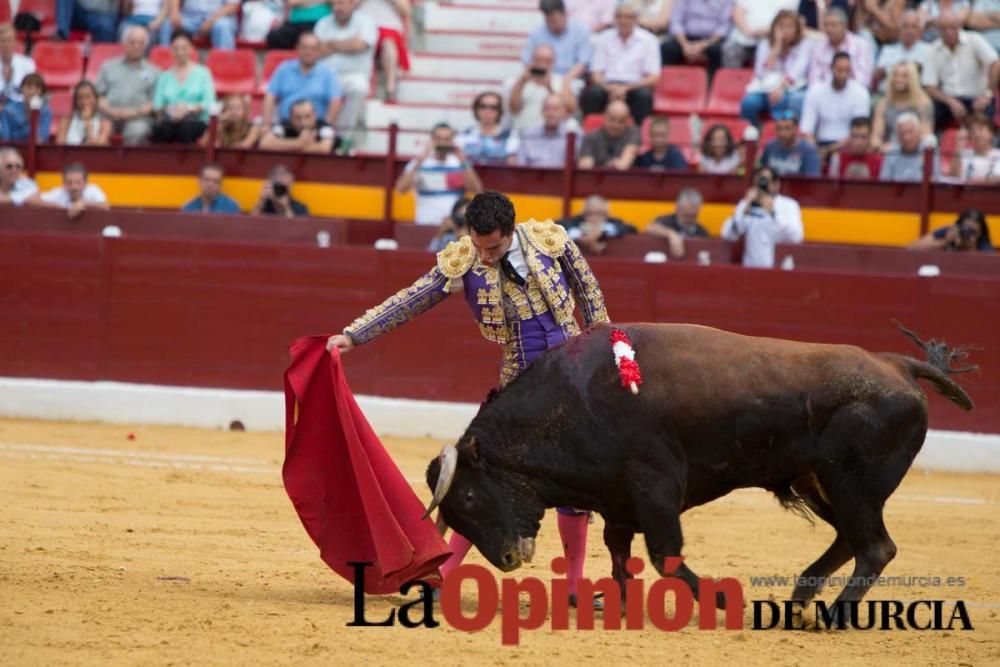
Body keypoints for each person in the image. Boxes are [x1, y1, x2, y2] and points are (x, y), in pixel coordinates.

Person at [326, 190, 611, 609]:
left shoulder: (551, 240)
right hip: (520, 383)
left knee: (575, 484)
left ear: (510, 231)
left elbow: (591, 297)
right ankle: (443, 577)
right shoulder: (463, 259)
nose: (486, 256)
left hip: (573, 376)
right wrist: (354, 335)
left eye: (493, 247)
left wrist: (609, 355)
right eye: (479, 247)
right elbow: (412, 299)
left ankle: (573, 586)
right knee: (487, 478)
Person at [580, 2, 661, 125]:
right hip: (607, 86)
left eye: (628, 17)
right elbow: (595, 74)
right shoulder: (603, 38)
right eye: (619, 17)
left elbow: (653, 77)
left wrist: (626, 88)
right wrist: (610, 88)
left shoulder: (649, 41)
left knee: (644, 97)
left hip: (634, 87)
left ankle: (638, 137)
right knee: (591, 94)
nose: (623, 21)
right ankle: (591, 133)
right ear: (614, 19)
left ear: (636, 19)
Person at [922, 11, 999, 133]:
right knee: (927, 112)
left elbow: (995, 63)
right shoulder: (933, 49)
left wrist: (987, 94)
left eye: (953, 28)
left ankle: (989, 147)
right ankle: (930, 145)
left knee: (987, 111)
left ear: (959, 26)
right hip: (948, 100)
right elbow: (929, 86)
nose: (949, 32)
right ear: (938, 30)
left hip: (977, 97)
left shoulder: (974, 39)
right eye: (944, 29)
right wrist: (950, 101)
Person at [395, 123, 483, 225]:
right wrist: (419, 161)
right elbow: (401, 189)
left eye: (447, 139)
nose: (442, 143)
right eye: (438, 139)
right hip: (425, 223)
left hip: (453, 227)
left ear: (452, 141)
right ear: (432, 140)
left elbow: (476, 189)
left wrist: (463, 161)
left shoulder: (459, 163)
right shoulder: (420, 162)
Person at [314, 0, 377, 140]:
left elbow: (359, 45)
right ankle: (316, 134)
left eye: (341, 3)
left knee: (358, 87)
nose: (337, 8)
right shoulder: (323, 23)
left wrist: (331, 44)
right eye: (334, 4)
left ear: (352, 3)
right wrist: (348, 43)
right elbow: (316, 51)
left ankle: (342, 137)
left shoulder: (366, 22)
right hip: (324, 76)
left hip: (353, 76)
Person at [739, 10, 812, 126]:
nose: (785, 31)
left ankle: (778, 136)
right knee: (748, 103)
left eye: (790, 27)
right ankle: (752, 134)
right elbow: (761, 72)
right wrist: (776, 47)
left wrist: (780, 87)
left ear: (797, 29)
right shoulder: (765, 44)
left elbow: (797, 71)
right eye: (781, 27)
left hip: (792, 88)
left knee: (786, 100)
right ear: (774, 28)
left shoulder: (805, 44)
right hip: (765, 87)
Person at [721, 165, 804, 268]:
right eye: (757, 182)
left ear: (776, 184)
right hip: (751, 269)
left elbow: (796, 237)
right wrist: (744, 211)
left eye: (765, 181)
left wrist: (773, 214)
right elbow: (728, 235)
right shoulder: (745, 204)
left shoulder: (788, 205)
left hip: (780, 269)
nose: (761, 185)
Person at [799, 52, 872, 161]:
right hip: (819, 143)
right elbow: (807, 129)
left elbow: (860, 130)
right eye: (839, 70)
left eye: (846, 71)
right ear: (831, 68)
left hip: (848, 145)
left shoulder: (861, 93)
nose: (843, 75)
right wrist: (815, 152)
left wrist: (830, 150)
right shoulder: (815, 91)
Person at [262, 31, 343, 130]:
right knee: (266, 140)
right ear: (297, 48)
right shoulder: (284, 69)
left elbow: (335, 101)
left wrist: (326, 126)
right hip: (286, 126)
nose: (308, 52)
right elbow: (270, 96)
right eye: (305, 47)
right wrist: (265, 125)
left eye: (313, 48)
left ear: (319, 51)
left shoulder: (328, 73)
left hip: (315, 127)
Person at [96, 26, 159, 145]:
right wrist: (111, 111)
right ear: (124, 44)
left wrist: (133, 113)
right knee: (96, 127)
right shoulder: (108, 67)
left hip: (138, 118)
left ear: (145, 46)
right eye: (132, 42)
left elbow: (154, 103)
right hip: (109, 116)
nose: (136, 46)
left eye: (140, 43)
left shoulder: (155, 72)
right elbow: (98, 96)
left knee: (137, 131)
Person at [151, 31, 216, 144]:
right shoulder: (164, 76)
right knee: (160, 129)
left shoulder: (203, 73)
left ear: (191, 48)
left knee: (185, 129)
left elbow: (209, 102)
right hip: (170, 118)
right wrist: (173, 111)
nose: (180, 52)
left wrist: (188, 109)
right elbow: (157, 104)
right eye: (176, 48)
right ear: (171, 50)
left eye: (184, 48)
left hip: (196, 119)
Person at [506, 44, 576, 132]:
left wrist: (549, 87)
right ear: (531, 60)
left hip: (552, 134)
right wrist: (522, 82)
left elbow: (569, 112)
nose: (542, 65)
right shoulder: (519, 81)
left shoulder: (562, 82)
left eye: (547, 61)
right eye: (538, 60)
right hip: (523, 133)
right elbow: (513, 109)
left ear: (553, 63)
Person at [522, 0, 591, 86]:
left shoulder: (581, 31)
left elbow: (583, 63)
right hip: (541, 78)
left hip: (571, 79)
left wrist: (565, 81)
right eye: (548, 21)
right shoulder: (536, 33)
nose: (552, 25)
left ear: (565, 14)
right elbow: (527, 62)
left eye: (554, 20)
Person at [660, 0, 733, 77]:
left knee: (719, 50)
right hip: (685, 38)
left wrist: (703, 45)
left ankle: (711, 85)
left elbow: (724, 27)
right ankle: (667, 82)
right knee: (667, 48)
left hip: (712, 41)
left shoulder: (726, 1)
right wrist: (685, 44)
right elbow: (676, 22)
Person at [872, 62, 934, 152]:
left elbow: (926, 135)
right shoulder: (883, 103)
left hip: (915, 151)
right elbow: (876, 136)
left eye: (904, 76)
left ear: (913, 79)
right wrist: (879, 146)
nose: (899, 79)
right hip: (889, 152)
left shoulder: (924, 102)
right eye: (895, 75)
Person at [807, 8, 873, 88]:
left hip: (852, 93)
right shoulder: (818, 47)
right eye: (826, 25)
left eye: (833, 25)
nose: (829, 29)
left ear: (845, 26)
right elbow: (813, 79)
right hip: (824, 94)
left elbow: (863, 80)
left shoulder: (861, 46)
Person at [722, 0, 798, 69]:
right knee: (730, 49)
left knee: (764, 65)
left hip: (771, 40)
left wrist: (770, 31)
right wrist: (749, 32)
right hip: (743, 38)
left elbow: (790, 19)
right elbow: (737, 12)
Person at [360, 0, 411, 102]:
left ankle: (390, 89)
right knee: (365, 43)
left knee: (388, 44)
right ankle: (366, 87)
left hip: (389, 27)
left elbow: (406, 10)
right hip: (363, 25)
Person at [517, 93, 581, 168]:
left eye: (556, 109)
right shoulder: (528, 134)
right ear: (542, 111)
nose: (551, 113)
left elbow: (578, 166)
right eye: (547, 109)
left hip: (561, 178)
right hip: (532, 178)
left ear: (563, 112)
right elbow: (521, 167)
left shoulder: (574, 135)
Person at [873, 10, 930, 94]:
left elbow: (929, 80)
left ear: (919, 30)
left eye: (913, 27)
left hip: (917, 97)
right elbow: (877, 75)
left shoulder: (928, 50)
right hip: (889, 96)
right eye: (905, 26)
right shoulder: (888, 50)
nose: (909, 30)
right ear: (899, 29)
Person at [28, 162, 110, 220]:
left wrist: (83, 204)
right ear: (63, 183)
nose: (74, 187)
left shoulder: (92, 190)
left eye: (78, 182)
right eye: (69, 182)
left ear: (85, 183)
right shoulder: (60, 192)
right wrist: (56, 207)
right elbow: (31, 200)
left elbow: (105, 206)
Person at [457, 91, 520, 166]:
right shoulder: (464, 134)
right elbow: (458, 163)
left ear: (500, 111)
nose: (487, 111)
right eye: (483, 106)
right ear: (476, 109)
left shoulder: (510, 135)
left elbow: (512, 165)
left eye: (493, 107)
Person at [559, 194, 636, 254]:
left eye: (599, 214)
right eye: (589, 214)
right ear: (583, 214)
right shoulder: (576, 222)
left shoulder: (612, 223)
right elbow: (557, 225)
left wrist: (602, 230)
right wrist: (580, 236)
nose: (594, 218)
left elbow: (632, 229)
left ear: (606, 215)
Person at [644, 187, 709, 258]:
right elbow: (649, 227)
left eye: (693, 216)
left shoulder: (702, 232)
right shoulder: (666, 221)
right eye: (686, 215)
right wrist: (672, 235)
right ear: (678, 208)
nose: (690, 217)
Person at [577, 100, 641, 170]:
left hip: (626, 179)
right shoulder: (591, 137)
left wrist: (609, 164)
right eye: (612, 119)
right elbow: (584, 163)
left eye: (621, 121)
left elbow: (624, 163)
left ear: (627, 121)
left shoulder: (633, 133)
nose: (616, 125)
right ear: (604, 117)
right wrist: (587, 162)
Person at [878, 111, 940, 182]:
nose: (907, 137)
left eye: (910, 132)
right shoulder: (891, 153)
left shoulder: (929, 151)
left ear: (919, 132)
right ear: (897, 136)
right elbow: (884, 183)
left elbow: (936, 181)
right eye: (902, 133)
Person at [759, 110, 822, 177]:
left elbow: (812, 182)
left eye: (787, 128)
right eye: (779, 128)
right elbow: (762, 173)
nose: (782, 133)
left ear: (796, 128)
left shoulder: (808, 152)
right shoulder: (770, 147)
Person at [260, 99, 336, 153]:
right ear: (290, 117)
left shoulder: (324, 127)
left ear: (315, 115)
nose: (303, 122)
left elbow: (324, 148)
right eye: (298, 118)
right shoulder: (283, 126)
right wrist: (299, 142)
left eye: (307, 117)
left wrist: (283, 146)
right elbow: (265, 143)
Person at [163, 0, 239, 49]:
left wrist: (211, 21)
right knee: (168, 24)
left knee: (223, 26)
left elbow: (232, 6)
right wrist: (175, 12)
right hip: (190, 18)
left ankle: (223, 64)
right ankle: (165, 65)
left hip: (217, 18)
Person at [56, 81, 112, 146]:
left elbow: (99, 146)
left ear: (95, 98)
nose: (84, 102)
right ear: (75, 101)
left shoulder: (104, 122)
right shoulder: (66, 120)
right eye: (80, 98)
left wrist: (88, 123)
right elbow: (60, 146)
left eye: (88, 97)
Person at [909, 209, 993, 252]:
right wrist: (944, 242)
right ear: (959, 227)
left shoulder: (984, 246)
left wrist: (970, 247)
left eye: (973, 232)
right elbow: (912, 247)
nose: (968, 234)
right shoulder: (950, 232)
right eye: (966, 229)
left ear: (981, 232)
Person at [0, 73, 52, 142]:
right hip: (12, 150)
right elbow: (5, 138)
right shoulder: (8, 111)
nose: (32, 92)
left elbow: (43, 138)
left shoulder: (45, 112)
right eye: (29, 87)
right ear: (22, 89)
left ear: (41, 92)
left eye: (37, 88)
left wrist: (34, 113)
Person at [949, 114, 1000, 183]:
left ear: (991, 133)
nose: (977, 134)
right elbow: (952, 177)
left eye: (981, 130)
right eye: (973, 131)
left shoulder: (997, 155)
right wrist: (958, 148)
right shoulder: (964, 154)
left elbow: (997, 178)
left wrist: (972, 182)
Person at [0, 23, 36, 100]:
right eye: (2, 41)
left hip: (20, 107)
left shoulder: (27, 63)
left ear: (15, 42)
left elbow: (32, 92)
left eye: (9, 40)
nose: (6, 44)